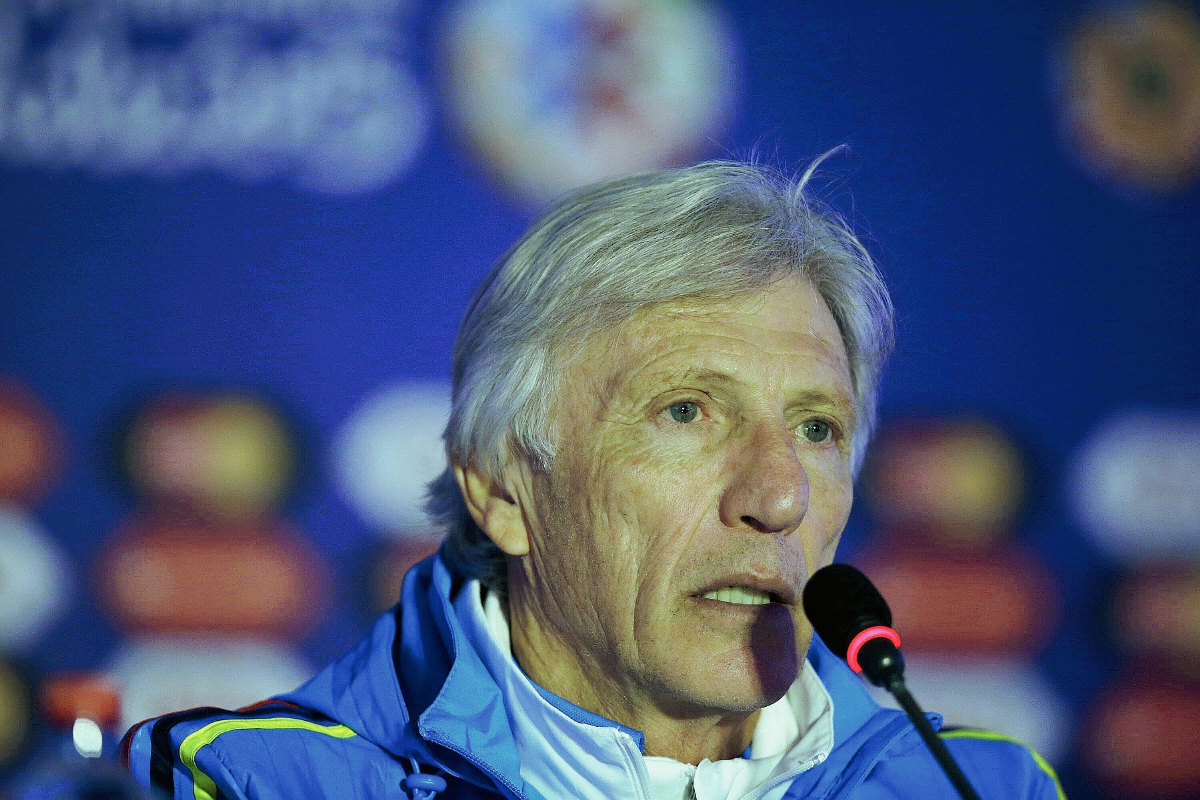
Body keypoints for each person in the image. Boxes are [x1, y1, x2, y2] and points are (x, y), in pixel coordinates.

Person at [122, 159, 1064, 799]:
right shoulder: (247, 785)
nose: (779, 497)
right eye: (686, 413)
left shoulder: (985, 788)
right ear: (501, 490)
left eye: (817, 428)